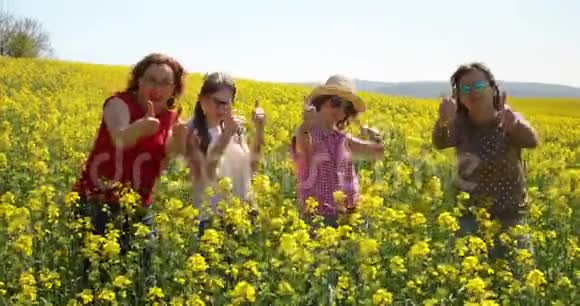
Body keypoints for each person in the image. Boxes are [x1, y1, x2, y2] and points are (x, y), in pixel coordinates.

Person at [72, 53, 188, 289]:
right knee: (96, 280)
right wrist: (140, 128)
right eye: (150, 80)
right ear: (138, 80)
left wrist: (180, 140)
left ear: (174, 88)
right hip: (97, 200)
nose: (157, 88)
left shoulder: (171, 117)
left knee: (143, 279)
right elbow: (120, 137)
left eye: (165, 82)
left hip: (139, 204)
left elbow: (164, 159)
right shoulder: (118, 103)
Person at [432, 62, 539, 259]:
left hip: (509, 217)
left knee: (517, 281)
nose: (473, 92)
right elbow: (439, 143)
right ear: (458, 96)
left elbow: (532, 141)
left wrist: (515, 125)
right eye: (465, 88)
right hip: (470, 217)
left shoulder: (507, 117)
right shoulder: (459, 124)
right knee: (470, 275)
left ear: (492, 88)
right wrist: (442, 121)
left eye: (479, 86)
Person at [290, 75, 385, 228]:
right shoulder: (308, 133)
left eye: (346, 107)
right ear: (321, 101)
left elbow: (377, 153)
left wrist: (376, 138)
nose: (340, 110)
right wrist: (305, 126)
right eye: (335, 103)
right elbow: (303, 149)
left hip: (349, 213)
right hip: (319, 215)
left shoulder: (341, 138)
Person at [186, 72, 265, 234]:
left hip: (243, 213)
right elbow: (204, 175)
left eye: (227, 103)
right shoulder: (191, 131)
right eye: (218, 102)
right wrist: (226, 136)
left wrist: (259, 130)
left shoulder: (235, 129)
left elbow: (251, 169)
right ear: (202, 100)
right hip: (212, 221)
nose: (222, 108)